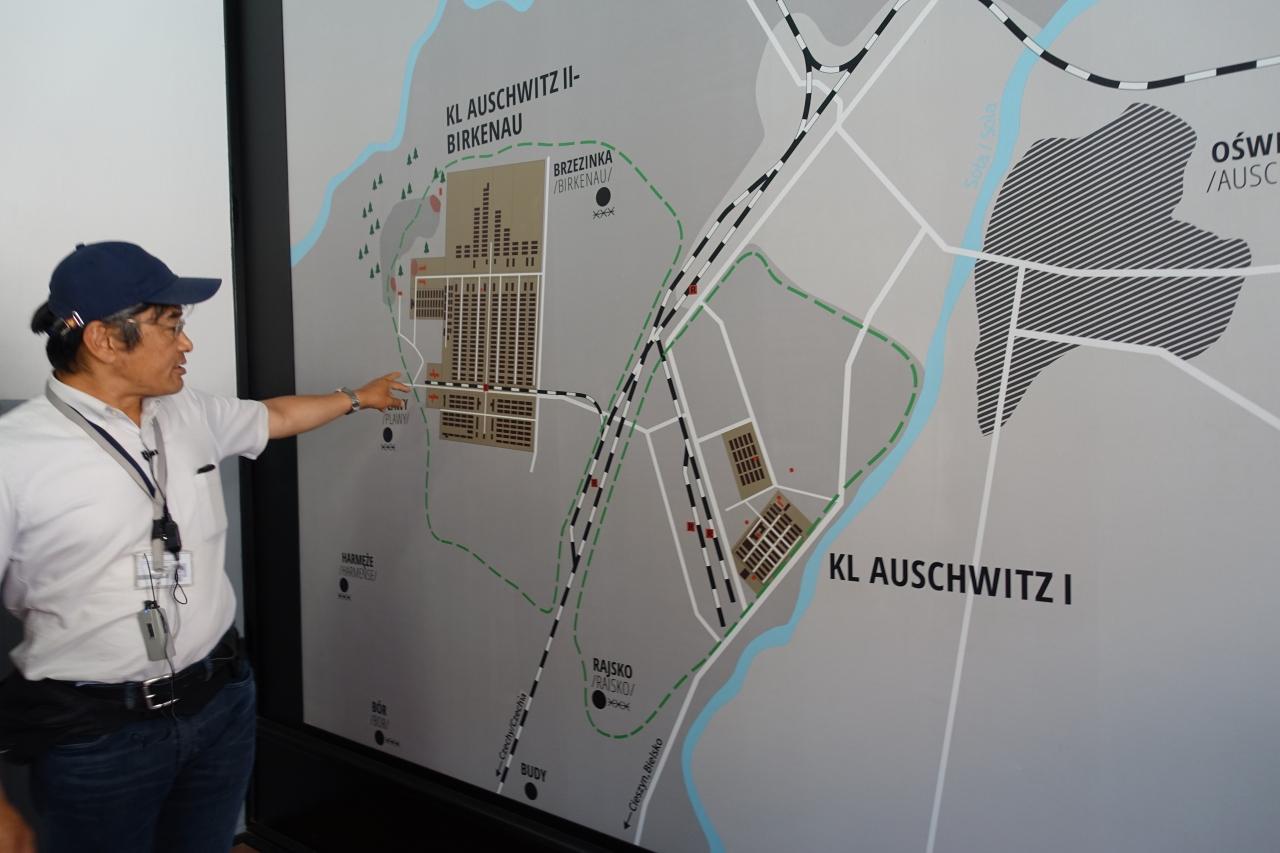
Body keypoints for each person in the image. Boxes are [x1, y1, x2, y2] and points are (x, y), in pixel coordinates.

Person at [0, 242, 409, 852]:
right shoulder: (15, 455)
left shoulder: (184, 410)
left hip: (219, 704)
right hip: (97, 738)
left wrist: (358, 398)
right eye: (171, 326)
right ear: (105, 340)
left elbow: (273, 417)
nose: (186, 344)